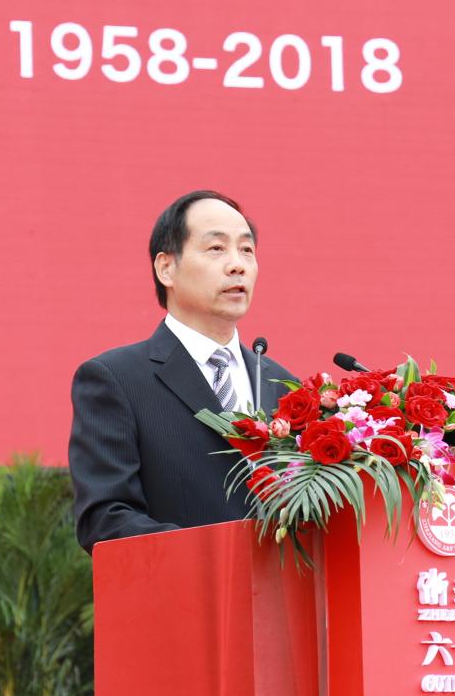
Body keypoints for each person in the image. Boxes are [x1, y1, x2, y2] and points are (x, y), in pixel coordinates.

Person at [68, 190, 296, 553]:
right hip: (181, 587)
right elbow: (106, 519)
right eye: (216, 248)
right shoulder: (116, 379)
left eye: (246, 250)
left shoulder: (283, 387)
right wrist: (214, 559)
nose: (237, 265)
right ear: (166, 268)